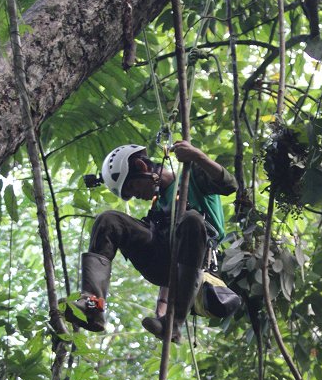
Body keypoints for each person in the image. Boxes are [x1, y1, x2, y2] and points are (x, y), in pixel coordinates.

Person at [71, 141, 239, 341]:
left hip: (194, 257)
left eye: (133, 186)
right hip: (162, 262)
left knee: (191, 218)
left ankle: (173, 323)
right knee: (109, 220)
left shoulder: (191, 176)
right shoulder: (158, 205)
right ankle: (93, 306)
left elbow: (230, 185)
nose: (136, 195)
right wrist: (160, 306)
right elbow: (165, 250)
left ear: (142, 168)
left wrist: (197, 156)